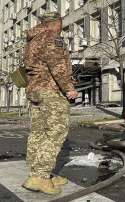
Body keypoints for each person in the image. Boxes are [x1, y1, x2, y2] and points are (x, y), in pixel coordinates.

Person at [22, 12, 78, 195]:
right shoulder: (52, 37)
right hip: (51, 90)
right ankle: (40, 176)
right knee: (56, 131)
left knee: (38, 133)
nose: (61, 28)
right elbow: (58, 65)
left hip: (35, 90)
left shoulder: (33, 39)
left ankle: (36, 173)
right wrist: (69, 88)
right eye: (61, 24)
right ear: (56, 23)